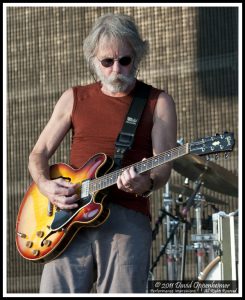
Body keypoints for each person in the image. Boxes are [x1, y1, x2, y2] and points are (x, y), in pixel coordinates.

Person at [28, 13, 177, 293]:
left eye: (125, 60)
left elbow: (162, 168)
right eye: (107, 62)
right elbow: (39, 154)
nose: (116, 69)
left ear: (138, 56)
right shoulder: (74, 97)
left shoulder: (158, 101)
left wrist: (145, 182)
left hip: (127, 217)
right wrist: (46, 186)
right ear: (94, 61)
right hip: (68, 217)